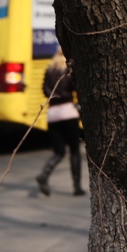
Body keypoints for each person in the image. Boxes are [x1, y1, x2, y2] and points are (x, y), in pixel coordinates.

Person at [36, 48, 85, 197]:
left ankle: (44, 174)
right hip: (68, 113)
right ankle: (77, 187)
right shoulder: (68, 71)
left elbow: (44, 91)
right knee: (74, 151)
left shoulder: (49, 70)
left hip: (52, 115)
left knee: (58, 151)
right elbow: (76, 88)